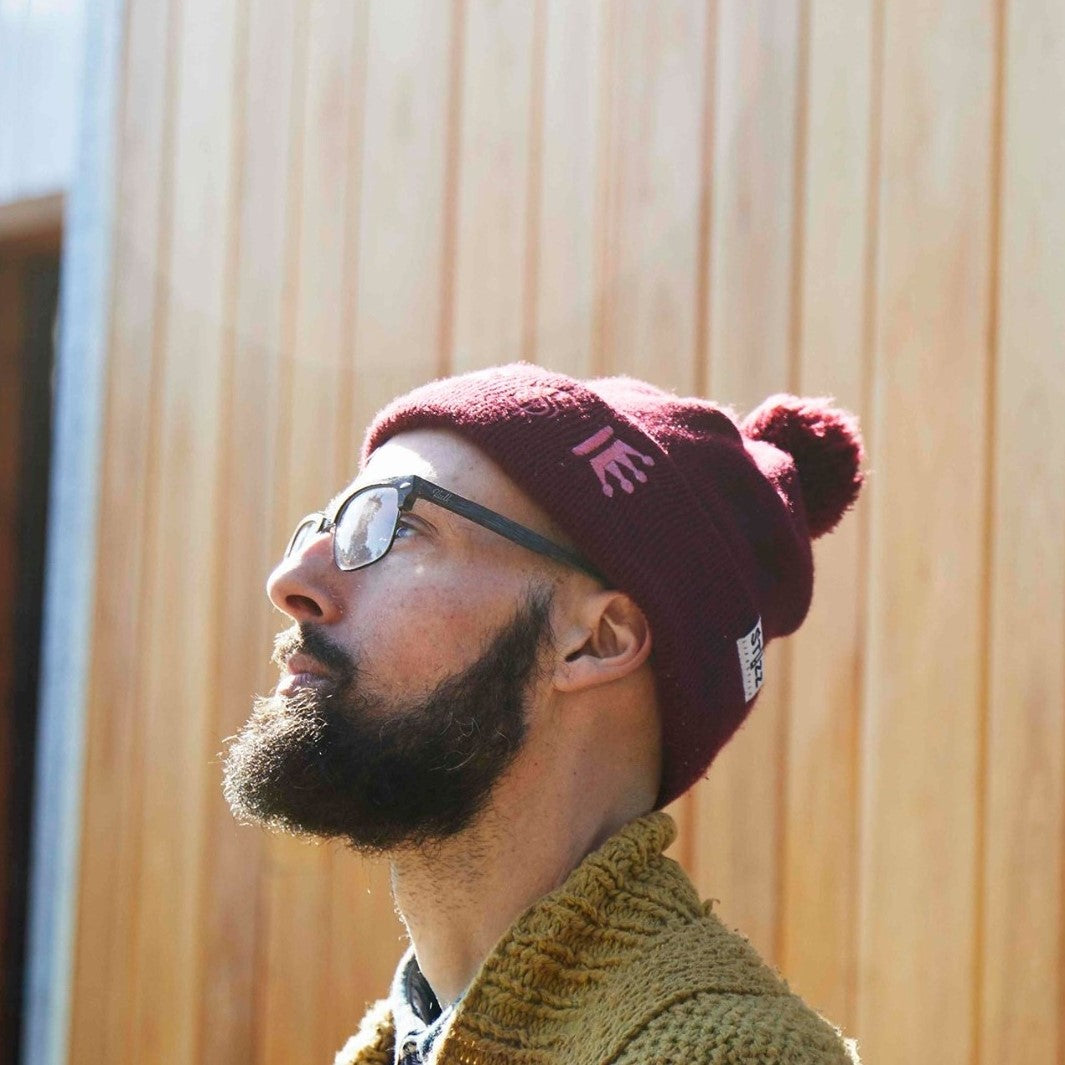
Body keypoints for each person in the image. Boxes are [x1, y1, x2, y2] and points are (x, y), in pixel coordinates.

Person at [223, 363, 864, 1064]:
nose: (289, 583)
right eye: (328, 526)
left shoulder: (726, 1055)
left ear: (598, 638)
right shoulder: (404, 1043)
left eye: (395, 524)